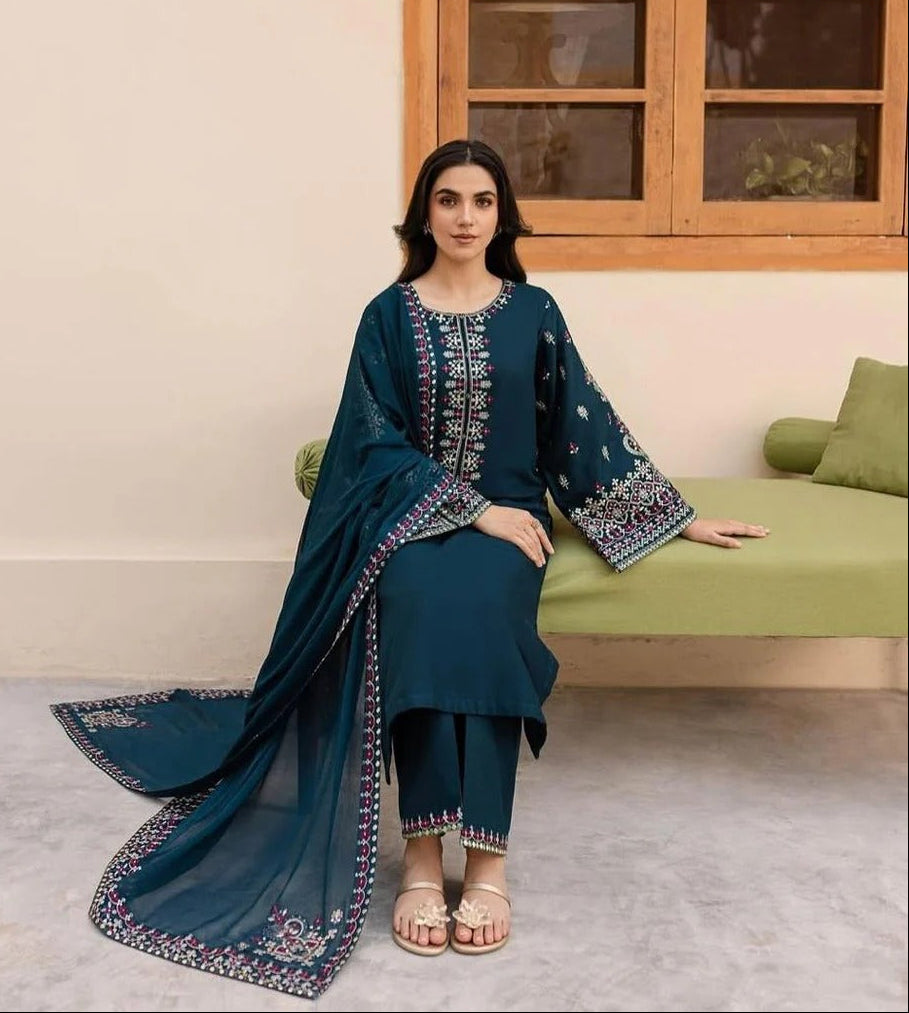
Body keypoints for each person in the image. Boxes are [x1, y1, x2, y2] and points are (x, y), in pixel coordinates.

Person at [51, 139, 768, 997]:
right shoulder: (387, 315)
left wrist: (674, 517)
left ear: (502, 216)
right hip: (413, 524)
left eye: (481, 202)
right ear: (423, 213)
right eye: (448, 200)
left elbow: (579, 428)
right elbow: (369, 444)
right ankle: (424, 857)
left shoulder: (533, 310)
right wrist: (469, 508)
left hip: (513, 529)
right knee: (421, 609)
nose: (465, 217)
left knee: (486, 618)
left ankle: (489, 859)